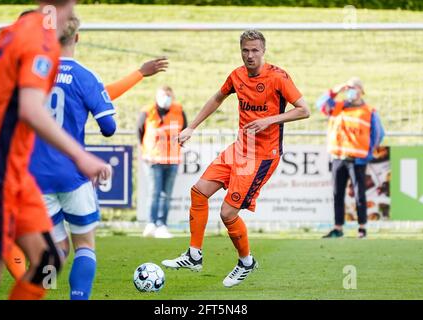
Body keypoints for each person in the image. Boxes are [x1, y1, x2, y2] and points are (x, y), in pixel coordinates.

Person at [12, 15, 166, 300]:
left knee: (56, 250)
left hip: (35, 177)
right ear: (77, 38)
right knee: (84, 245)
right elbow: (109, 128)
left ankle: (35, 294)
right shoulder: (85, 76)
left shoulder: (27, 75)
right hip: (72, 173)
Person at [0, 1, 111, 300]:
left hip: (21, 174)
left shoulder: (16, 29)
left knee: (47, 259)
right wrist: (81, 156)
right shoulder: (41, 38)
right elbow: (30, 110)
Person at [161, 30, 310, 287]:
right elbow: (218, 97)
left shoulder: (278, 77)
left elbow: (304, 110)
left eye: (255, 50)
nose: (250, 55)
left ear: (263, 51)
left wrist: (269, 119)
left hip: (263, 156)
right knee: (198, 192)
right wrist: (192, 127)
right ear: (240, 50)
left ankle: (246, 262)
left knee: (227, 213)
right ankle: (194, 255)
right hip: (239, 148)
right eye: (245, 50)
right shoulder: (236, 75)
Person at [316, 77, 384, 239]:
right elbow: (320, 104)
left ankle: (362, 228)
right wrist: (336, 90)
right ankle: (338, 228)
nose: (351, 91)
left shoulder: (369, 111)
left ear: (362, 90)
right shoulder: (338, 107)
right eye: (349, 88)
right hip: (339, 157)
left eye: (354, 88)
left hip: (357, 159)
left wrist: (367, 154)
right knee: (337, 193)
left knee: (360, 195)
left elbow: (378, 134)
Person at [138, 86, 187, 238]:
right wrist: (146, 150)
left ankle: (162, 225)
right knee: (154, 192)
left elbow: (184, 129)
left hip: (172, 158)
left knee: (166, 194)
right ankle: (151, 223)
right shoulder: (147, 111)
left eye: (168, 95)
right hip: (153, 158)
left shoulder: (179, 110)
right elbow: (139, 131)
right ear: (157, 96)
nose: (166, 98)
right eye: (163, 95)